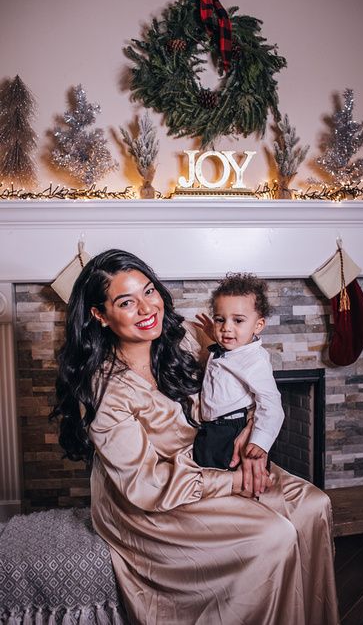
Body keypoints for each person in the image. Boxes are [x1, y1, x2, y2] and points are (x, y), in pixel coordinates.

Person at [50, 249, 340, 625]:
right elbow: (145, 485)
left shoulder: (183, 338)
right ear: (100, 315)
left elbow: (241, 381)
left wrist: (251, 425)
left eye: (149, 291)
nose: (146, 308)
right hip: (150, 495)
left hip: (204, 457)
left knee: (314, 505)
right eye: (126, 302)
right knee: (272, 535)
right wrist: (233, 481)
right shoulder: (106, 389)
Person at [193, 273, 285, 474]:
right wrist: (213, 333)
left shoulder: (254, 360)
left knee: (237, 482)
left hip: (232, 431)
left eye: (238, 320)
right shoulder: (231, 347)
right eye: (220, 319)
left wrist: (261, 441)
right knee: (207, 481)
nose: (226, 328)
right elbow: (225, 337)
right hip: (211, 430)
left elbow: (271, 402)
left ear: (258, 325)